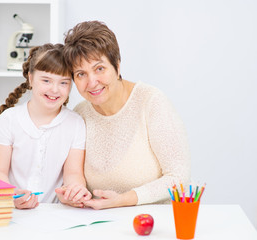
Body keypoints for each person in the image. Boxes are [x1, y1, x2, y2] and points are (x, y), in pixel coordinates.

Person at [56, 21, 191, 209]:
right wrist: (71, 193)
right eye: (81, 74)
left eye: (99, 69)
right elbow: (74, 177)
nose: (92, 82)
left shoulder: (150, 102)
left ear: (117, 66)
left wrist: (124, 199)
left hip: (152, 223)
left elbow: (179, 176)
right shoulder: (80, 114)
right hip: (99, 222)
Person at [0, 43, 92, 209]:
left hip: (56, 213)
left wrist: (73, 191)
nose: (55, 89)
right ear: (31, 78)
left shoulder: (76, 123)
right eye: (46, 80)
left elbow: (73, 174)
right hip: (12, 211)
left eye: (64, 83)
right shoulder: (9, 119)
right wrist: (12, 196)